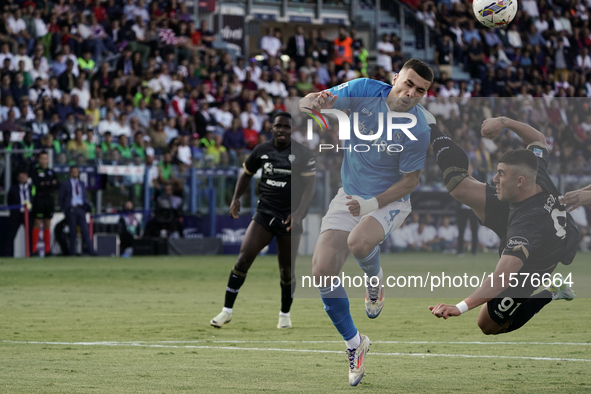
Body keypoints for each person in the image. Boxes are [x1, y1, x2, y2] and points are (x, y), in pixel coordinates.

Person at [299, 58, 433, 386]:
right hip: (350, 194)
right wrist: (312, 104)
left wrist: (371, 204)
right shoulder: (363, 90)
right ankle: (355, 344)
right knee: (321, 270)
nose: (411, 92)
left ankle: (374, 280)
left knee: (358, 241)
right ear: (394, 78)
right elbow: (308, 101)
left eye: (421, 90)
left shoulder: (418, 128)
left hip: (389, 200)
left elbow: (410, 181)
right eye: (408, 83)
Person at [427, 115, 579, 335]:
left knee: (488, 325)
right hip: (515, 207)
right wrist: (505, 122)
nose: (495, 179)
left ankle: (553, 291)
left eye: (501, 174)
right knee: (458, 186)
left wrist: (460, 307)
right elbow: (538, 139)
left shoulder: (527, 227)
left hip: (533, 267)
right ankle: (431, 125)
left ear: (520, 181)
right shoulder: (536, 170)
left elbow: (503, 276)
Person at [210, 112, 316, 330]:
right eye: (278, 126)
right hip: (264, 213)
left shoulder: (303, 154)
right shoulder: (261, 150)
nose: (282, 130)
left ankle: (284, 315)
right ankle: (226, 311)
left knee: (287, 271)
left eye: (286, 127)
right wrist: (236, 198)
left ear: (291, 129)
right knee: (242, 260)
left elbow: (310, 188)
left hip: (289, 218)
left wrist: (299, 214)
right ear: (271, 128)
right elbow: (246, 174)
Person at [58, 166, 97, 256]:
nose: (75, 173)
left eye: (77, 172)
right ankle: (72, 252)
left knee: (85, 231)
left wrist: (86, 206)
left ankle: (91, 251)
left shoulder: (82, 183)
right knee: (72, 232)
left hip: (81, 209)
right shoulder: (65, 184)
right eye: (73, 172)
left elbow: (85, 196)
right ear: (70, 173)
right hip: (71, 209)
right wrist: (64, 209)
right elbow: (61, 198)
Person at [29, 151, 59, 256]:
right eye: (41, 158)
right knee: (37, 223)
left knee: (47, 224)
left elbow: (56, 185)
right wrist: (49, 184)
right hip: (39, 199)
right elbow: (38, 184)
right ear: (38, 159)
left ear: (48, 160)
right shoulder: (34, 171)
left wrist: (46, 184)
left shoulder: (51, 172)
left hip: (49, 200)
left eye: (45, 158)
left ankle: (47, 250)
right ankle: (33, 249)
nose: (43, 160)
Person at [7, 169, 33, 256]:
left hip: (28, 214)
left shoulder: (31, 187)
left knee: (30, 235)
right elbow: (9, 200)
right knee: (11, 235)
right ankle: (8, 254)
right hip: (16, 215)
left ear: (27, 178)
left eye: (24, 177)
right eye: (21, 177)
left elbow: (35, 199)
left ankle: (30, 253)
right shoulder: (13, 188)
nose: (23, 178)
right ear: (18, 178)